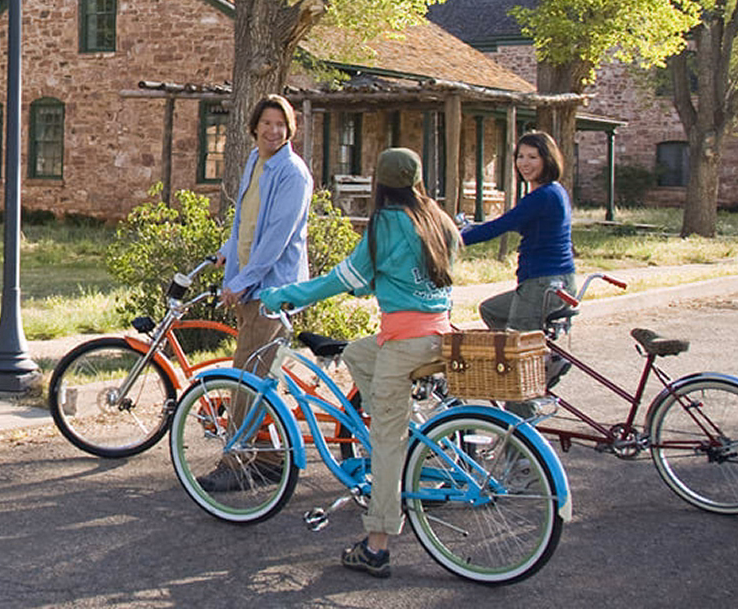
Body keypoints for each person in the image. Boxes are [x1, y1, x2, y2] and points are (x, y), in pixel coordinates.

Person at [257, 147, 461, 580]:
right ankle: (393, 417)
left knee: (387, 445)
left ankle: (377, 545)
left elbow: (341, 278)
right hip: (438, 337)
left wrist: (286, 294)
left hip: (405, 344)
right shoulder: (437, 219)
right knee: (357, 352)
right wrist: (374, 285)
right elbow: (413, 274)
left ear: (380, 184)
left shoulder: (385, 223)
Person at [198, 94, 312, 490]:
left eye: (280, 124)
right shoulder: (254, 162)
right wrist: (227, 255)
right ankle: (267, 459)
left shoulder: (292, 173)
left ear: (290, 128)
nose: (273, 130)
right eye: (266, 123)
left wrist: (242, 282)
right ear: (254, 127)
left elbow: (277, 238)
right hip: (250, 286)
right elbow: (247, 222)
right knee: (259, 377)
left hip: (273, 291)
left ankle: (237, 463)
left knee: (247, 378)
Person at [461, 129, 576, 416]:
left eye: (533, 157)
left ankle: (519, 452)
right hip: (556, 282)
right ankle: (544, 358)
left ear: (547, 159)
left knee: (515, 363)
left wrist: (455, 238)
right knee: (491, 310)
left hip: (543, 285)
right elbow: (509, 222)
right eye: (520, 157)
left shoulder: (544, 195)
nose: (524, 163)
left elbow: (502, 224)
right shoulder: (551, 192)